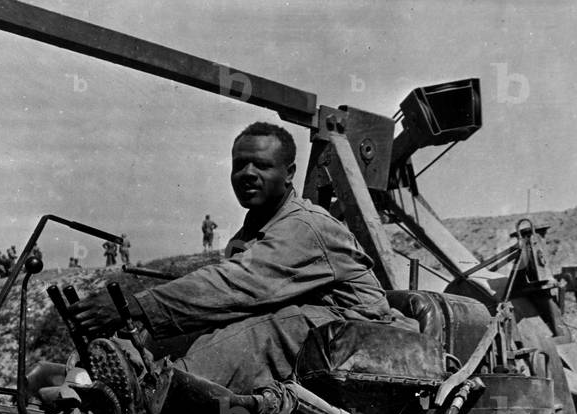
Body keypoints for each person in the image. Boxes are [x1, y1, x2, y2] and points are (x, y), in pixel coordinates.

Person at [71, 121, 395, 395]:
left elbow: (234, 286)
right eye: (240, 165)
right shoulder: (251, 233)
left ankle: (163, 393)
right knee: (192, 328)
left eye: (262, 165)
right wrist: (139, 332)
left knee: (267, 329)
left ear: (289, 174)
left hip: (360, 335)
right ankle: (123, 379)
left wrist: (133, 306)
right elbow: (218, 302)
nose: (248, 174)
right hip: (321, 333)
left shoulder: (304, 226)